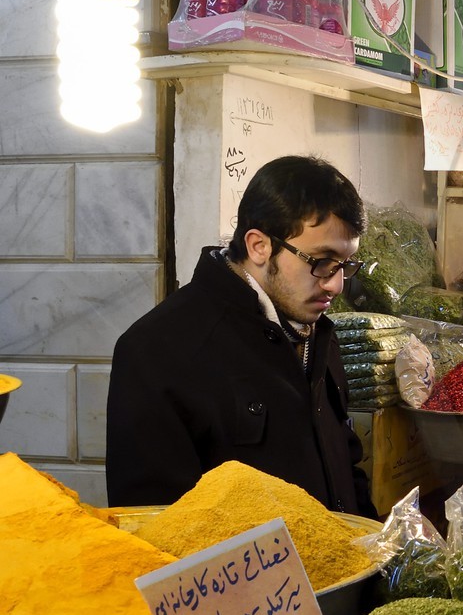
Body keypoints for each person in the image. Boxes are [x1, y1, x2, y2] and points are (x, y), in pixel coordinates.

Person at [106, 156, 376, 516]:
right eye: (321, 261)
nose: (336, 284)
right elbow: (151, 523)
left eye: (346, 264)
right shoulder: (158, 350)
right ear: (258, 245)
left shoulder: (318, 332)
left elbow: (345, 463)